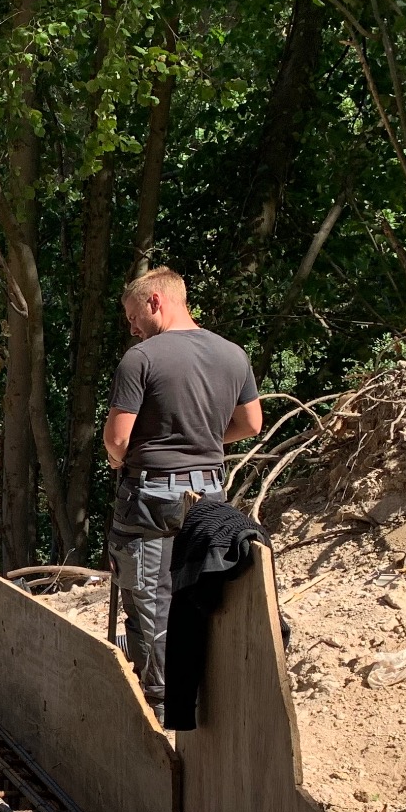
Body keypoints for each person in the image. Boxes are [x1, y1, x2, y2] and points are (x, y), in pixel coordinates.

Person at [104, 266, 262, 708]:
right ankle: (207, 699)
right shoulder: (233, 354)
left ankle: (159, 705)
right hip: (210, 496)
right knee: (197, 591)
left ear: (155, 300)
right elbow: (251, 424)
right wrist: (204, 440)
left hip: (151, 496)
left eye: (133, 316)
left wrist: (119, 457)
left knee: (151, 598)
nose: (132, 328)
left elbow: (117, 439)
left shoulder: (141, 358)